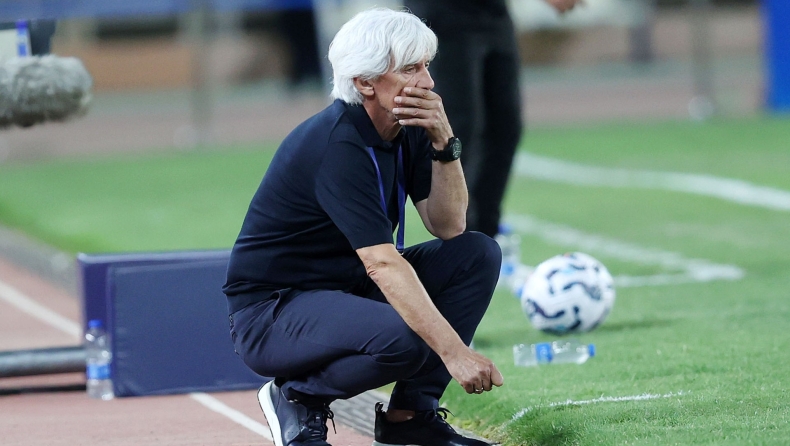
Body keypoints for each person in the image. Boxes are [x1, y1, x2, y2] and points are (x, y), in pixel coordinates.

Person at [222, 8, 503, 446]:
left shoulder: (408, 124)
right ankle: (297, 396)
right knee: (406, 339)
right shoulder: (337, 144)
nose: (428, 82)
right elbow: (382, 264)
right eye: (410, 69)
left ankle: (410, 418)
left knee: (476, 253)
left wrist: (444, 142)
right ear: (366, 83)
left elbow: (449, 225)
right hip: (274, 312)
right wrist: (455, 353)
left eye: (426, 65)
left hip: (346, 289)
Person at [403, 0, 583, 238]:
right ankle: (461, 241)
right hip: (444, 11)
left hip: (492, 12)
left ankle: (486, 239)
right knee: (459, 130)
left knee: (505, 127)